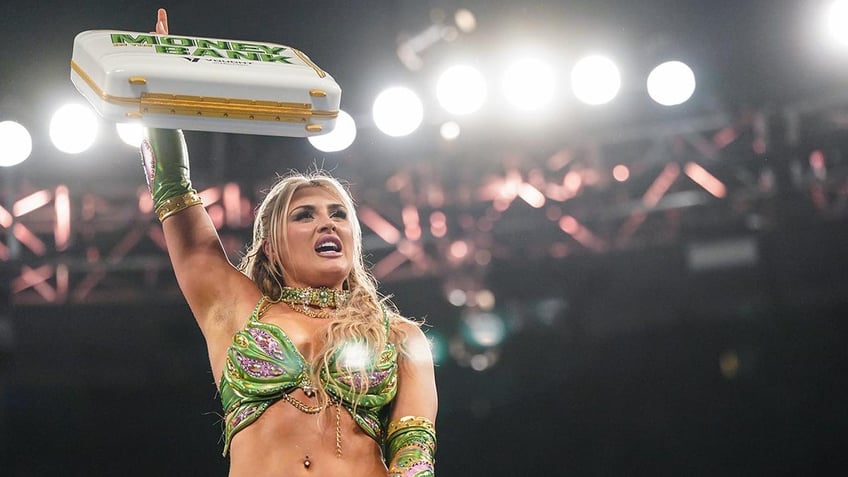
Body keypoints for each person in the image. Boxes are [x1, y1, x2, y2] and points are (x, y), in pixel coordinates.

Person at [142, 9, 437, 476]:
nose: (328, 224)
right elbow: (174, 190)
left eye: (339, 215)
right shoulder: (235, 308)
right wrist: (156, 89)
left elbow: (414, 455)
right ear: (271, 246)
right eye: (305, 215)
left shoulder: (400, 336)